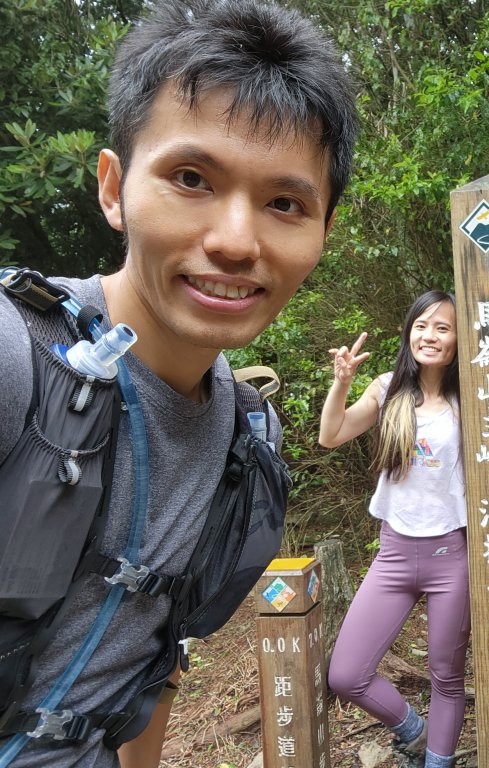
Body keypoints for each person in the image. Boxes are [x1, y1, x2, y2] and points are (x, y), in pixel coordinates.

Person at [0, 1, 357, 765]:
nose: (235, 241)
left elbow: (151, 662)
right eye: (191, 178)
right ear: (113, 187)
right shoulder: (16, 354)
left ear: (323, 232)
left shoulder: (245, 442)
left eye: (285, 203)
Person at [318, 291, 470, 768]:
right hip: (395, 552)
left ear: (459, 337)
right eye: (423, 325)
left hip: (454, 553)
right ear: (409, 330)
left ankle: (438, 761)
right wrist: (342, 383)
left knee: (446, 677)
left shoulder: (469, 399)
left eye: (443, 328)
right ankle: (411, 729)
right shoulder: (387, 389)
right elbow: (331, 434)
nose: (431, 335)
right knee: (346, 674)